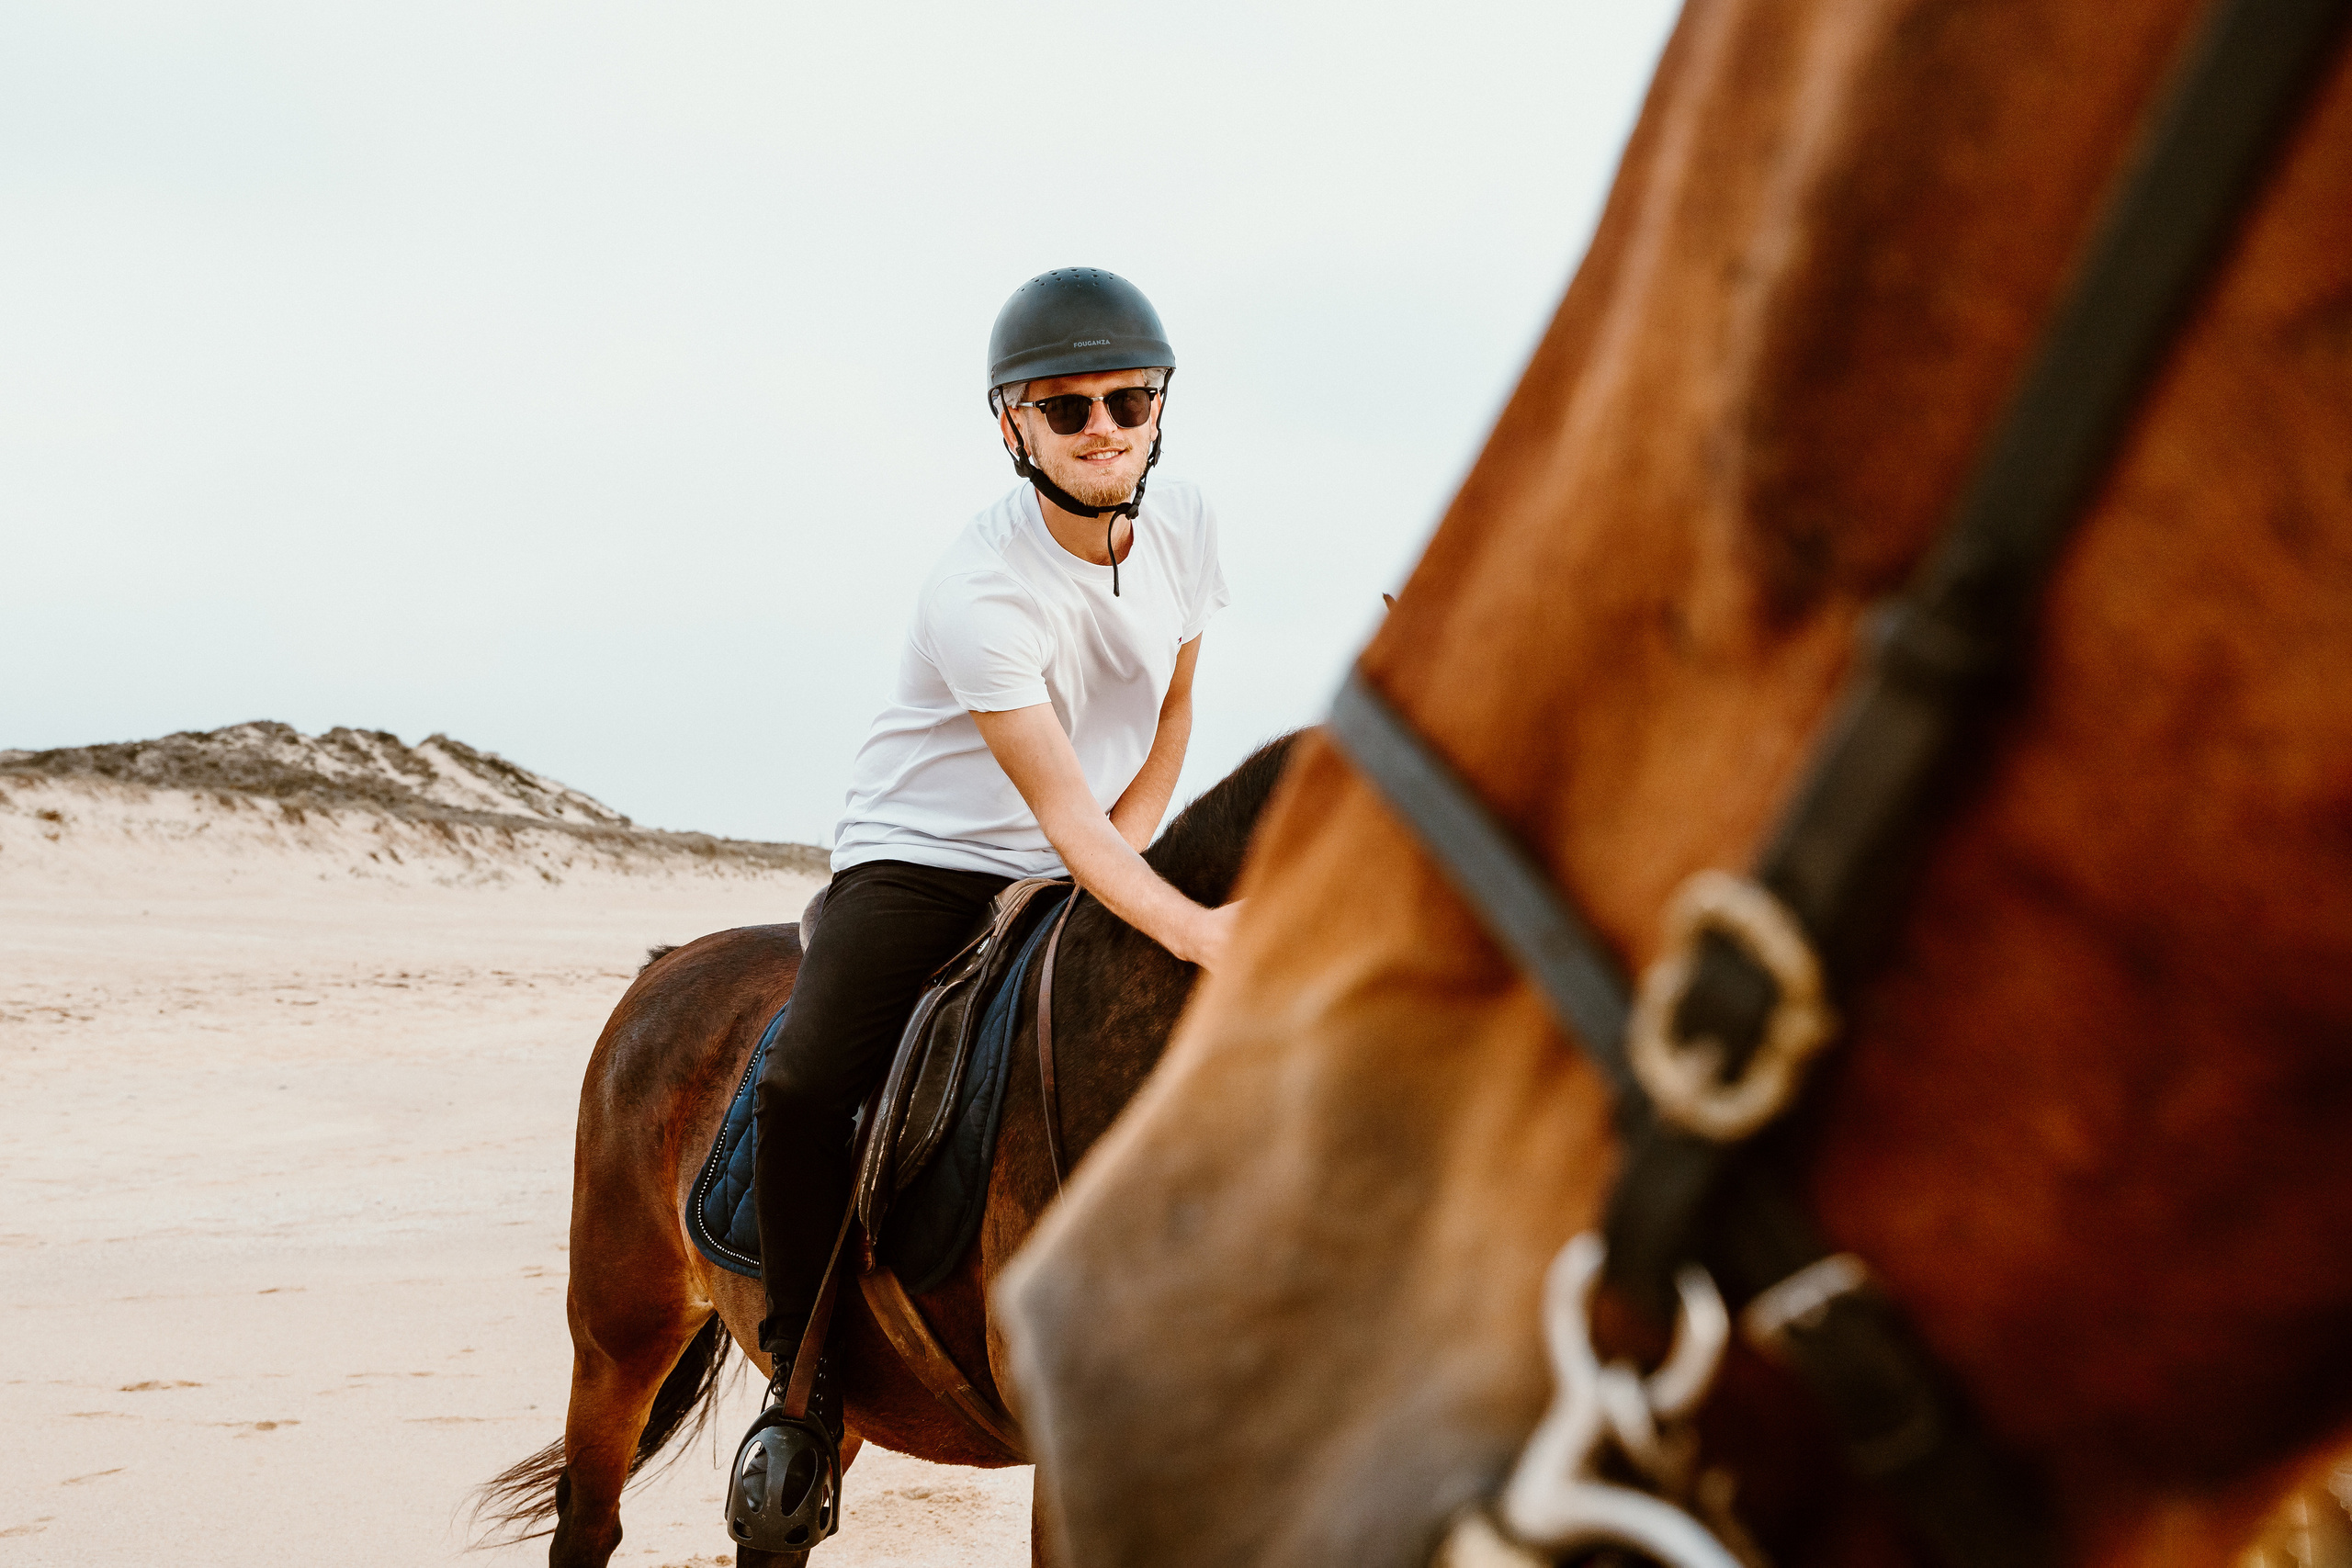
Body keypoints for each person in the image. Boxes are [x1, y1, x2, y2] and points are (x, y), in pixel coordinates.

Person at [726, 267, 1237, 1552]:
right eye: (1069, 409)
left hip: (1093, 846)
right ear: (1012, 425)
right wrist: (1195, 928)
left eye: (1129, 397)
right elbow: (1050, 818)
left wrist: (1137, 868)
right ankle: (795, 1381)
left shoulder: (1187, 525)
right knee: (802, 1085)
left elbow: (1172, 717)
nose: (1105, 425)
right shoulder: (982, 593)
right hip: (928, 857)